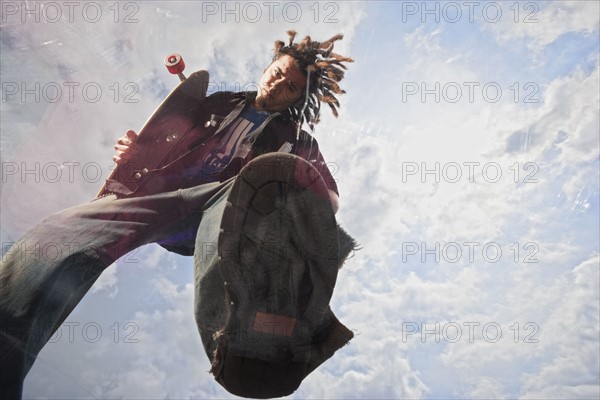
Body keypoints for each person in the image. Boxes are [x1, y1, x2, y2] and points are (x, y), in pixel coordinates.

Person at [0, 31, 354, 398]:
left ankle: (251, 340)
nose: (279, 84)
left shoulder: (298, 140)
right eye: (278, 72)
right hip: (163, 196)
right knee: (61, 233)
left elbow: (329, 197)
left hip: (222, 210)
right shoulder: (220, 101)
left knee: (249, 189)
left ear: (298, 99)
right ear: (268, 67)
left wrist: (298, 194)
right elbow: (167, 139)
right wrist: (136, 154)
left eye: (291, 87)